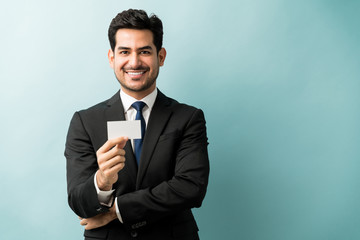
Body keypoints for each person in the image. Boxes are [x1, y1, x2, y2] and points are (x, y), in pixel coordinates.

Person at [65, 9, 209, 240]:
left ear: (160, 57)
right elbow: (78, 201)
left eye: (144, 51)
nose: (134, 62)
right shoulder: (85, 121)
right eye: (125, 52)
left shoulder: (188, 118)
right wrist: (102, 180)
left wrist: (116, 211)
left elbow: (190, 187)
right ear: (112, 58)